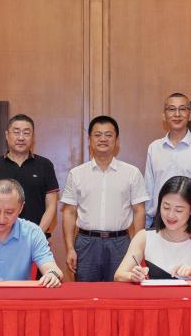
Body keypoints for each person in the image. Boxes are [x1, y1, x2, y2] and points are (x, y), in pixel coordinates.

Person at [61, 115, 149, 282]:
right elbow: (69, 212)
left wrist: (136, 247)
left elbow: (139, 211)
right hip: (86, 243)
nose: (103, 139)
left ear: (117, 140)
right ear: (89, 140)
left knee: (120, 292)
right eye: (97, 135)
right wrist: (70, 248)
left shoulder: (132, 173)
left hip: (120, 243)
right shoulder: (76, 174)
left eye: (108, 135)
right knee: (85, 293)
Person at [115, 176, 191, 283]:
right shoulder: (144, 237)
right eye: (166, 207)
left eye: (179, 210)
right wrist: (133, 276)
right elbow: (119, 275)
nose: (170, 215)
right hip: (156, 302)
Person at [144, 92, 191, 233]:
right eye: (172, 109)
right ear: (164, 115)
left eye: (182, 109)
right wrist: (147, 227)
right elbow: (149, 190)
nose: (177, 114)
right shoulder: (154, 148)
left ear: (190, 115)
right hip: (161, 221)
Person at [0, 113, 60, 235]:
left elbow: (51, 206)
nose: (21, 138)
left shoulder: (45, 165)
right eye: (16, 132)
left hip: (36, 237)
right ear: (7, 135)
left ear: (33, 137)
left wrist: (37, 235)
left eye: (26, 133)